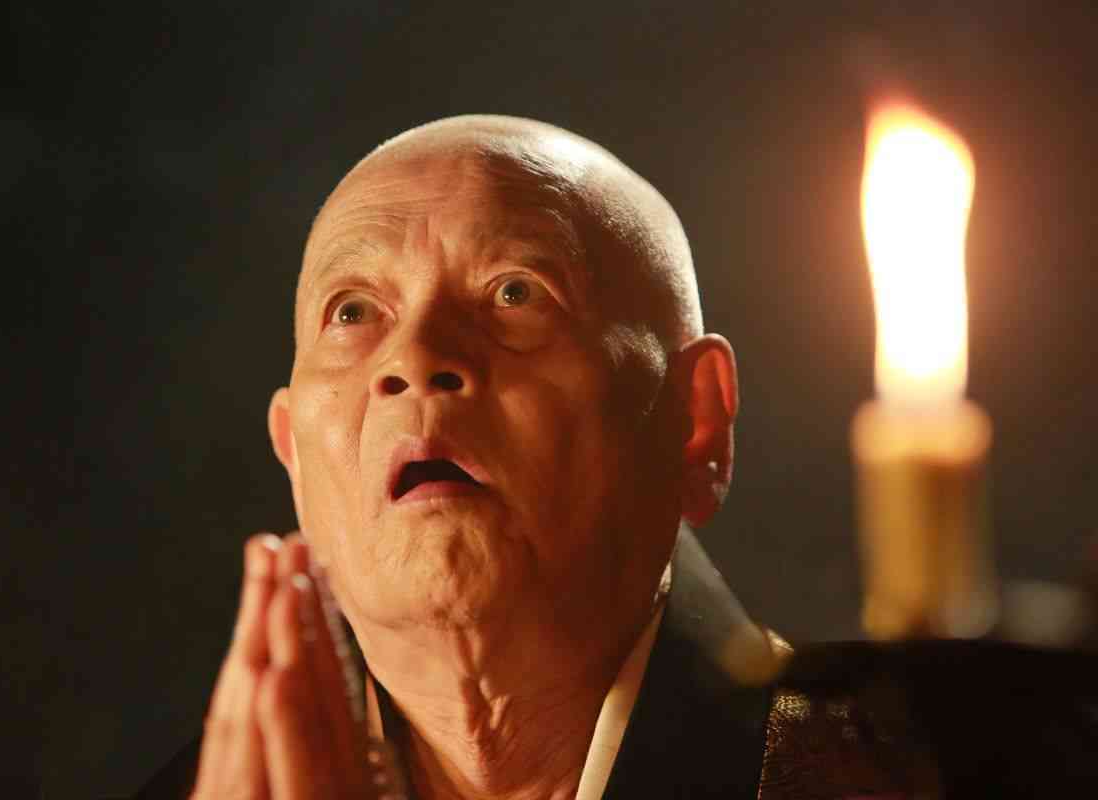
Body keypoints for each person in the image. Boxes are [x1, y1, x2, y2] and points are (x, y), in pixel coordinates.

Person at [131, 116, 1098, 800]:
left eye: (515, 292)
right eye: (353, 312)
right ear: (294, 452)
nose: (415, 359)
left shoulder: (913, 770)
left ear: (696, 421)